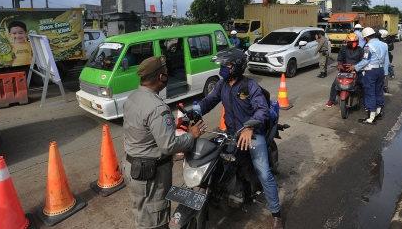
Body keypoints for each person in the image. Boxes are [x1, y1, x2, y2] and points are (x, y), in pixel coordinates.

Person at [199, 48, 283, 229]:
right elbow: (208, 101)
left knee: (264, 173)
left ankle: (276, 214)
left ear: (236, 67)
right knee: (213, 161)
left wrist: (250, 128)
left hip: (252, 133)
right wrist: (194, 112)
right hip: (231, 133)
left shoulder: (249, 86)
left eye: (226, 65)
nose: (223, 68)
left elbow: (262, 110)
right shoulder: (222, 85)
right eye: (222, 65)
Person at [121, 55, 205, 229]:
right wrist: (191, 135)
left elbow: (143, 131)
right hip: (149, 174)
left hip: (131, 166)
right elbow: (168, 146)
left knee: (142, 213)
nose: (168, 76)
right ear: (160, 77)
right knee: (155, 221)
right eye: (166, 73)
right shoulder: (157, 107)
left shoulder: (133, 97)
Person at [348, 27, 390, 125]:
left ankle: (371, 118)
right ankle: (379, 113)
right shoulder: (384, 45)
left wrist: (355, 67)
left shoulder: (368, 46)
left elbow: (365, 61)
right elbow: (387, 60)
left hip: (371, 71)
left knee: (370, 93)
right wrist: (385, 73)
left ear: (366, 37)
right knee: (379, 91)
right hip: (380, 71)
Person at [325, 33, 364, 107]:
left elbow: (362, 61)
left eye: (354, 42)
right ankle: (331, 100)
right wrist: (340, 64)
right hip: (344, 71)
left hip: (357, 71)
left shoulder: (360, 50)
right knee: (335, 84)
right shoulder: (343, 49)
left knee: (364, 84)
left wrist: (355, 67)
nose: (352, 43)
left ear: (357, 42)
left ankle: (366, 103)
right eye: (350, 42)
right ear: (347, 42)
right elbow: (340, 58)